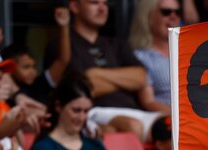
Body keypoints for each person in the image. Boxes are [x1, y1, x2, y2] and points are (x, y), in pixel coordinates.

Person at [43, 0, 156, 139]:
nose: (102, 9)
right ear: (74, 6)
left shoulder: (117, 44)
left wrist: (95, 74)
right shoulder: (62, 45)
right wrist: (124, 82)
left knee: (178, 124)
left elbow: (141, 78)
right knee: (133, 126)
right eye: (94, 3)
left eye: (105, 3)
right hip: (93, 112)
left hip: (135, 111)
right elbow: (83, 87)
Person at [127, 0, 177, 113]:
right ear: (149, 17)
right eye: (166, 12)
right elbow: (148, 102)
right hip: (168, 119)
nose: (173, 16)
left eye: (178, 12)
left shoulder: (190, 51)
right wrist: (181, 116)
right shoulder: (140, 56)